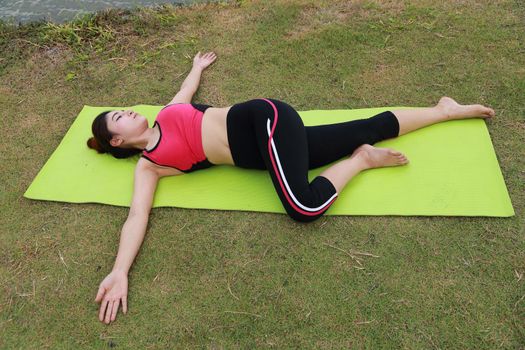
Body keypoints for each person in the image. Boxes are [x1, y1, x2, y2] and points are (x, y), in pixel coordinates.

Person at [89, 51, 495, 324]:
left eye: (121, 109)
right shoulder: (150, 167)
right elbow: (136, 215)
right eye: (117, 118)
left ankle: (361, 160)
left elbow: (187, 88)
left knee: (302, 207)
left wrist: (197, 66)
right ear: (117, 141)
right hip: (273, 147)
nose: (126, 111)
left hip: (263, 120)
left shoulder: (167, 111)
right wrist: (119, 270)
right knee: (364, 128)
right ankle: (444, 110)